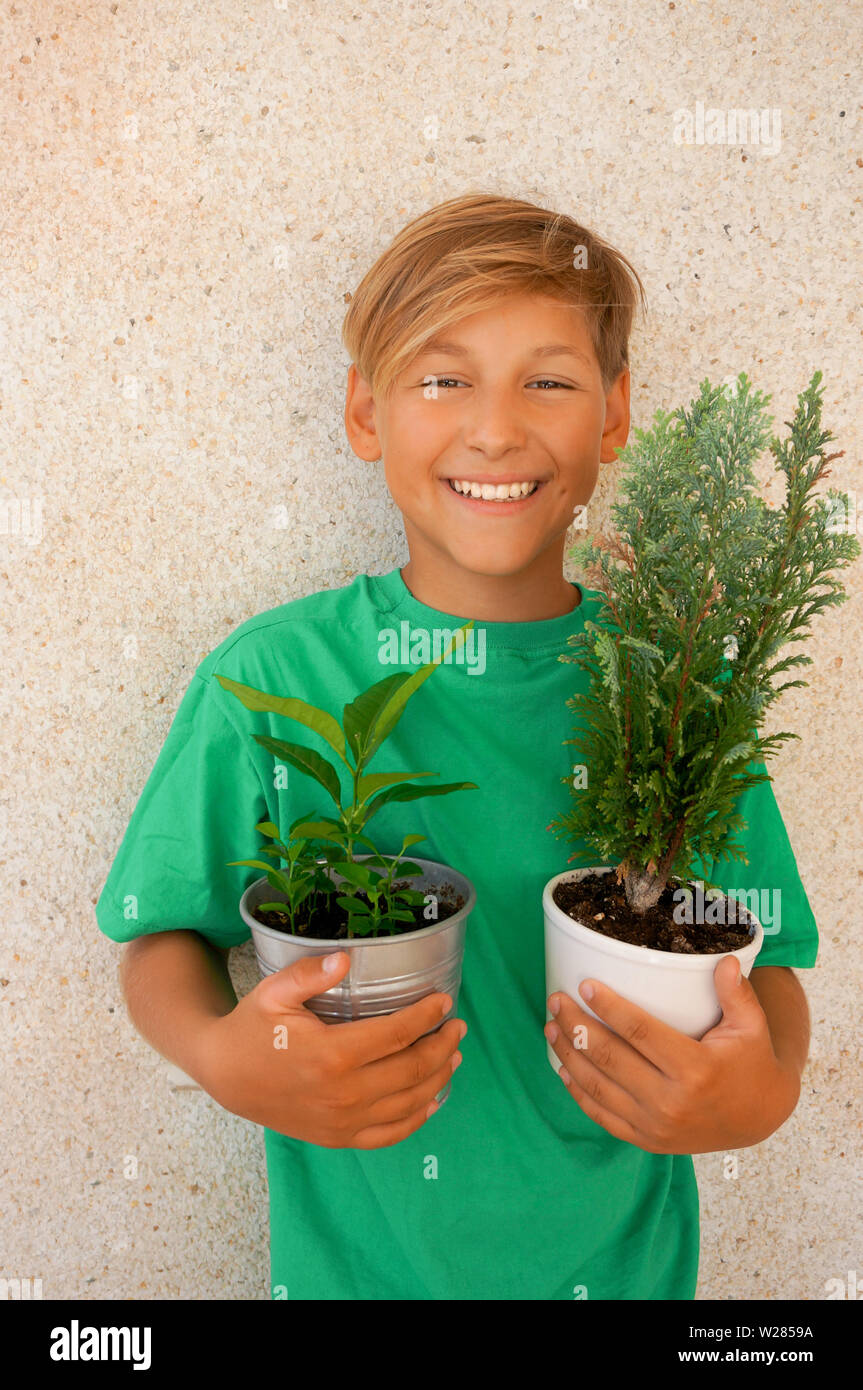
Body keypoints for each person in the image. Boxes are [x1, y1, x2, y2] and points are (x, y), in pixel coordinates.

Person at [96, 192, 817, 1300]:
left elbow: (761, 963)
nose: (493, 428)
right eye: (442, 379)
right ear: (363, 413)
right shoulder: (273, 679)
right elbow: (161, 937)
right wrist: (221, 1057)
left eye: (548, 380)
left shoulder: (682, 687)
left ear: (613, 415)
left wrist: (760, 1095)